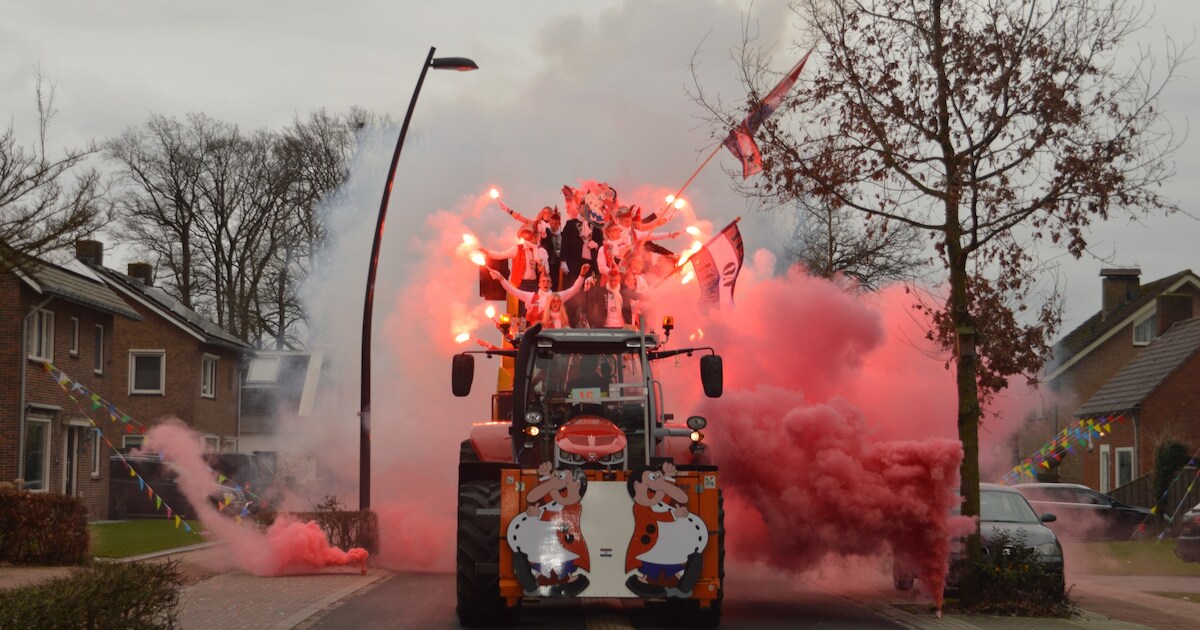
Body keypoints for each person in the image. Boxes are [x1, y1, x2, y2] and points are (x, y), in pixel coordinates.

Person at [488, 264, 590, 319]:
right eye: (543, 281)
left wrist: (582, 275)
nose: (545, 283)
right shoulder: (530, 296)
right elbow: (513, 291)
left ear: (551, 284)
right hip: (535, 335)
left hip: (552, 334)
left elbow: (574, 289)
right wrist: (500, 278)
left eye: (548, 281)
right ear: (539, 284)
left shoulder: (557, 297)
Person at [481, 225, 549, 292]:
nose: (527, 237)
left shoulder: (537, 250)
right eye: (524, 235)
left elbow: (543, 267)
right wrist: (487, 253)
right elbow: (501, 255)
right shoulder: (517, 249)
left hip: (534, 283)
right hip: (521, 284)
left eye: (529, 234)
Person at [540, 211, 566, 290]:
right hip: (547, 264)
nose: (553, 226)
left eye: (555, 224)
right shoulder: (547, 232)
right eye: (551, 224)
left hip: (557, 265)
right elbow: (543, 239)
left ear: (559, 224)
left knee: (555, 286)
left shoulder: (563, 235)